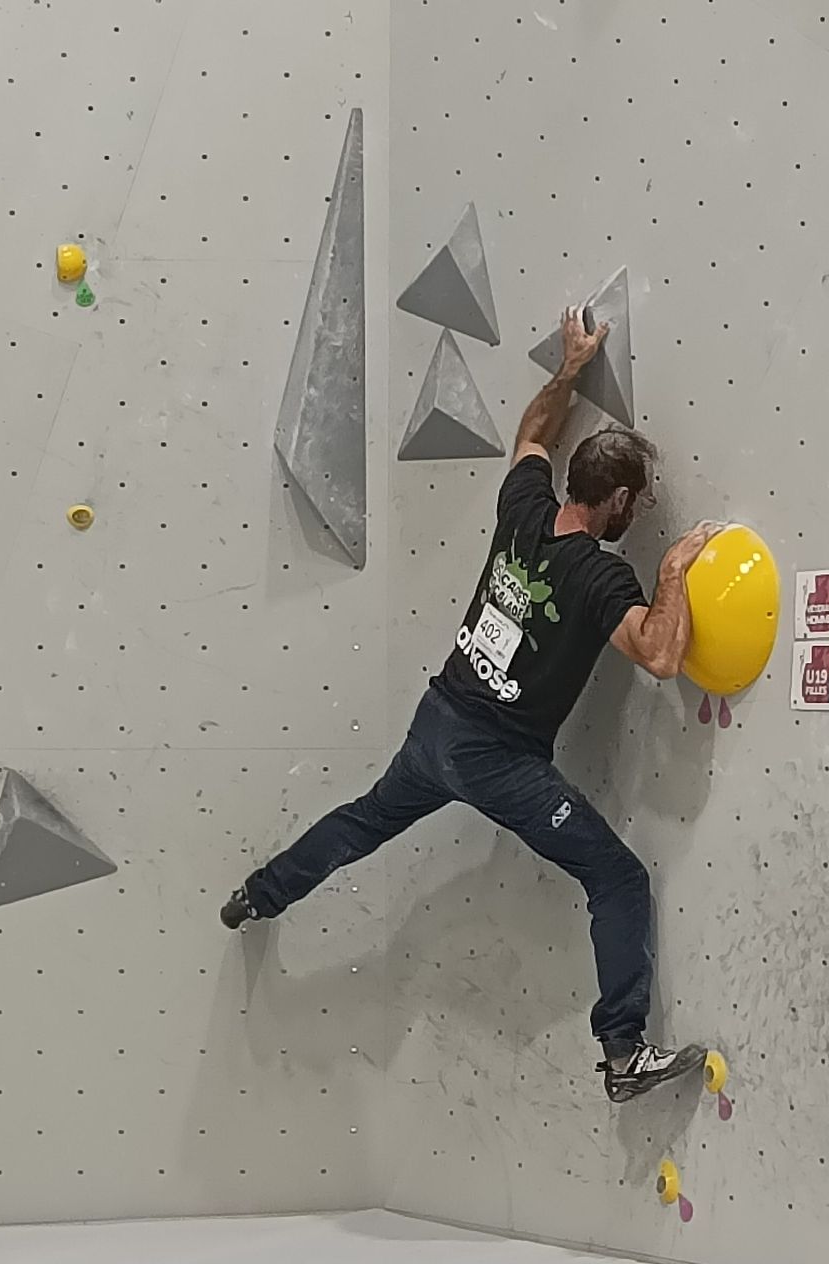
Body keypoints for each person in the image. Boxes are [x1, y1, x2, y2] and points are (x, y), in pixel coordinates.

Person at [222, 307, 720, 1101]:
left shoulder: (523, 506)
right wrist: (673, 572)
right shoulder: (601, 577)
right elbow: (660, 655)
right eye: (642, 500)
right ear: (619, 499)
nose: (644, 511)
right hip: (497, 758)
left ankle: (259, 894)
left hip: (438, 725)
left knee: (365, 819)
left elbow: (532, 434)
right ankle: (623, 1051)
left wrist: (570, 369)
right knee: (619, 878)